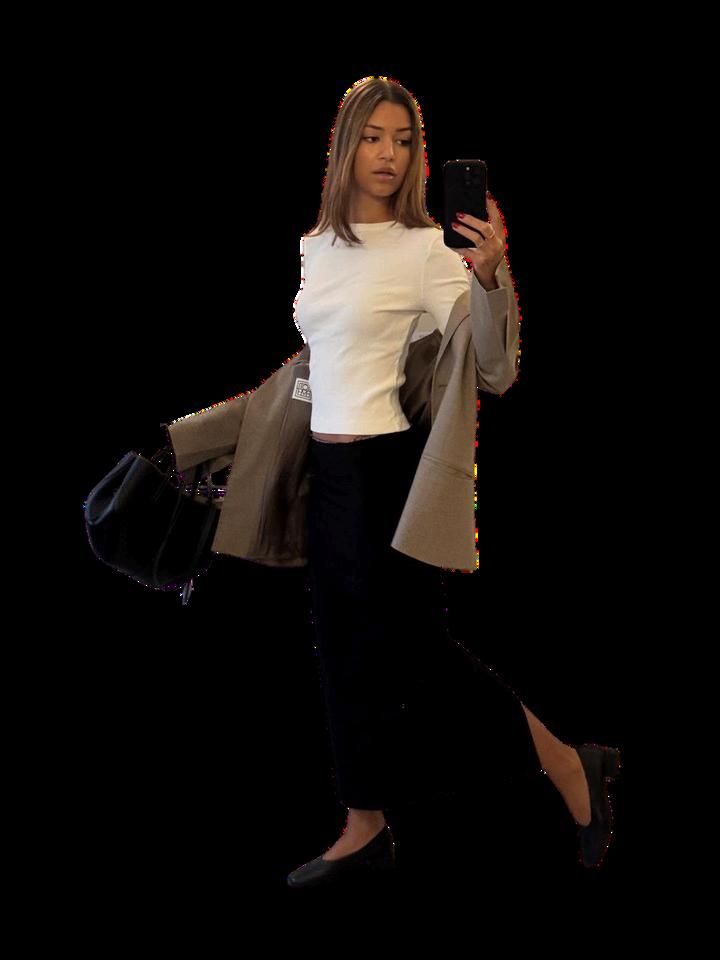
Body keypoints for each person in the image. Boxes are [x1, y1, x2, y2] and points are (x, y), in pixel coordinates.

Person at [286, 78, 621, 888]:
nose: (389, 155)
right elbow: (317, 364)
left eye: (404, 141)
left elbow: (495, 368)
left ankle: (569, 765)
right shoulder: (316, 246)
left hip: (385, 477)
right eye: (375, 137)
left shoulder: (428, 251)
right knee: (343, 656)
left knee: (421, 659)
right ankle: (364, 825)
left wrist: (490, 276)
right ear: (347, 145)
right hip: (326, 477)